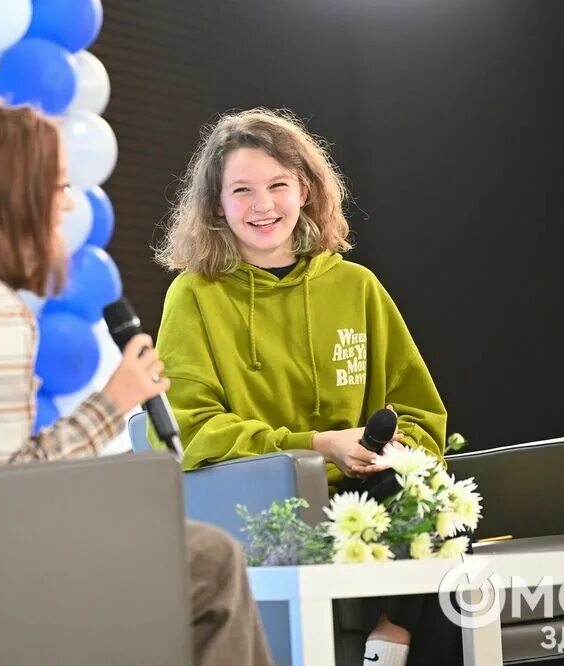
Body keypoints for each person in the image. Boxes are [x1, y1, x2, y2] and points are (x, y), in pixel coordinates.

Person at [0, 104, 273, 666]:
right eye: (59, 185)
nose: (68, 203)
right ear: (12, 193)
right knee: (212, 559)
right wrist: (118, 399)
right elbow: (9, 484)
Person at [152, 108, 454, 666]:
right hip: (261, 500)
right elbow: (187, 428)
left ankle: (389, 641)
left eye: (277, 185)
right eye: (241, 190)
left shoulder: (357, 286)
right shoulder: (193, 294)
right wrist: (317, 445)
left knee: (422, 491)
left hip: (368, 496)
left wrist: (386, 449)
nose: (262, 205)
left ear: (306, 191)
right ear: (216, 204)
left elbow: (419, 413)